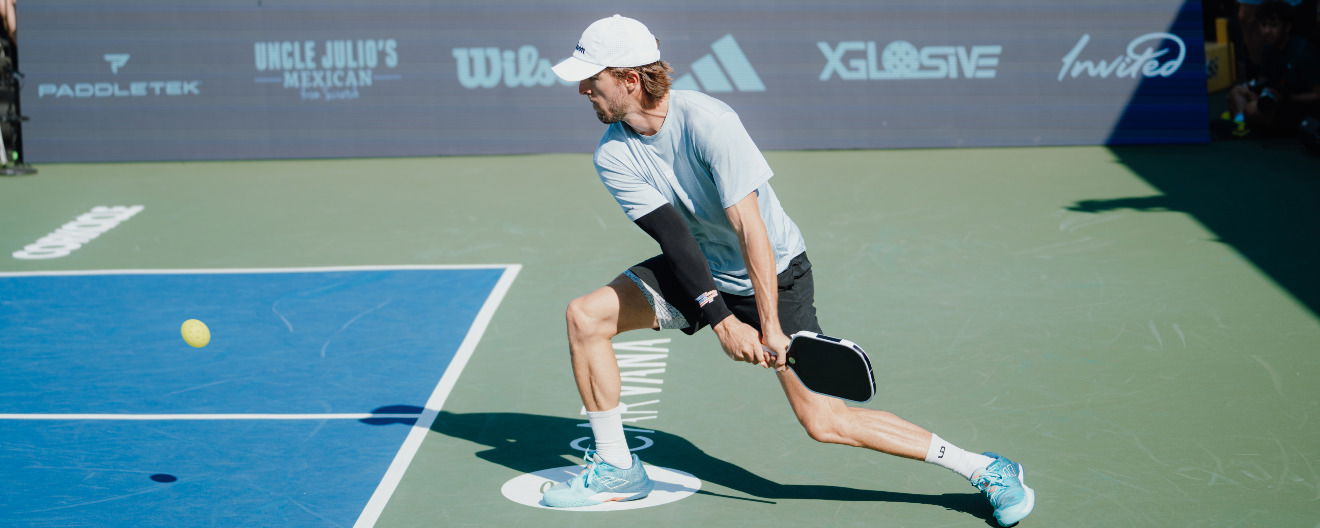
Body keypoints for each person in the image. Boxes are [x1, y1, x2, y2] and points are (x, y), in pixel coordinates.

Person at [540, 14, 1036, 527]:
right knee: (586, 317)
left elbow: (751, 230)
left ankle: (988, 469)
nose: (582, 89)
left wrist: (769, 325)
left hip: (774, 273)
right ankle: (618, 468)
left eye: (592, 78)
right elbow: (675, 238)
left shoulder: (710, 122)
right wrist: (723, 322)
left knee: (824, 421)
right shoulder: (613, 153)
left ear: (629, 78)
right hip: (700, 268)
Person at [1228, 0, 1320, 135]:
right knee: (1237, 92)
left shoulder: (1303, 53)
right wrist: (1257, 91)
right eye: (1263, 25)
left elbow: (1317, 95)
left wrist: (1288, 98)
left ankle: (1246, 119)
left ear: (1287, 27)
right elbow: (1264, 80)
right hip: (1274, 101)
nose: (1267, 31)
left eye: (1273, 26)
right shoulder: (1268, 50)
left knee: (1251, 109)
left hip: (1298, 107)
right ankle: (1240, 124)